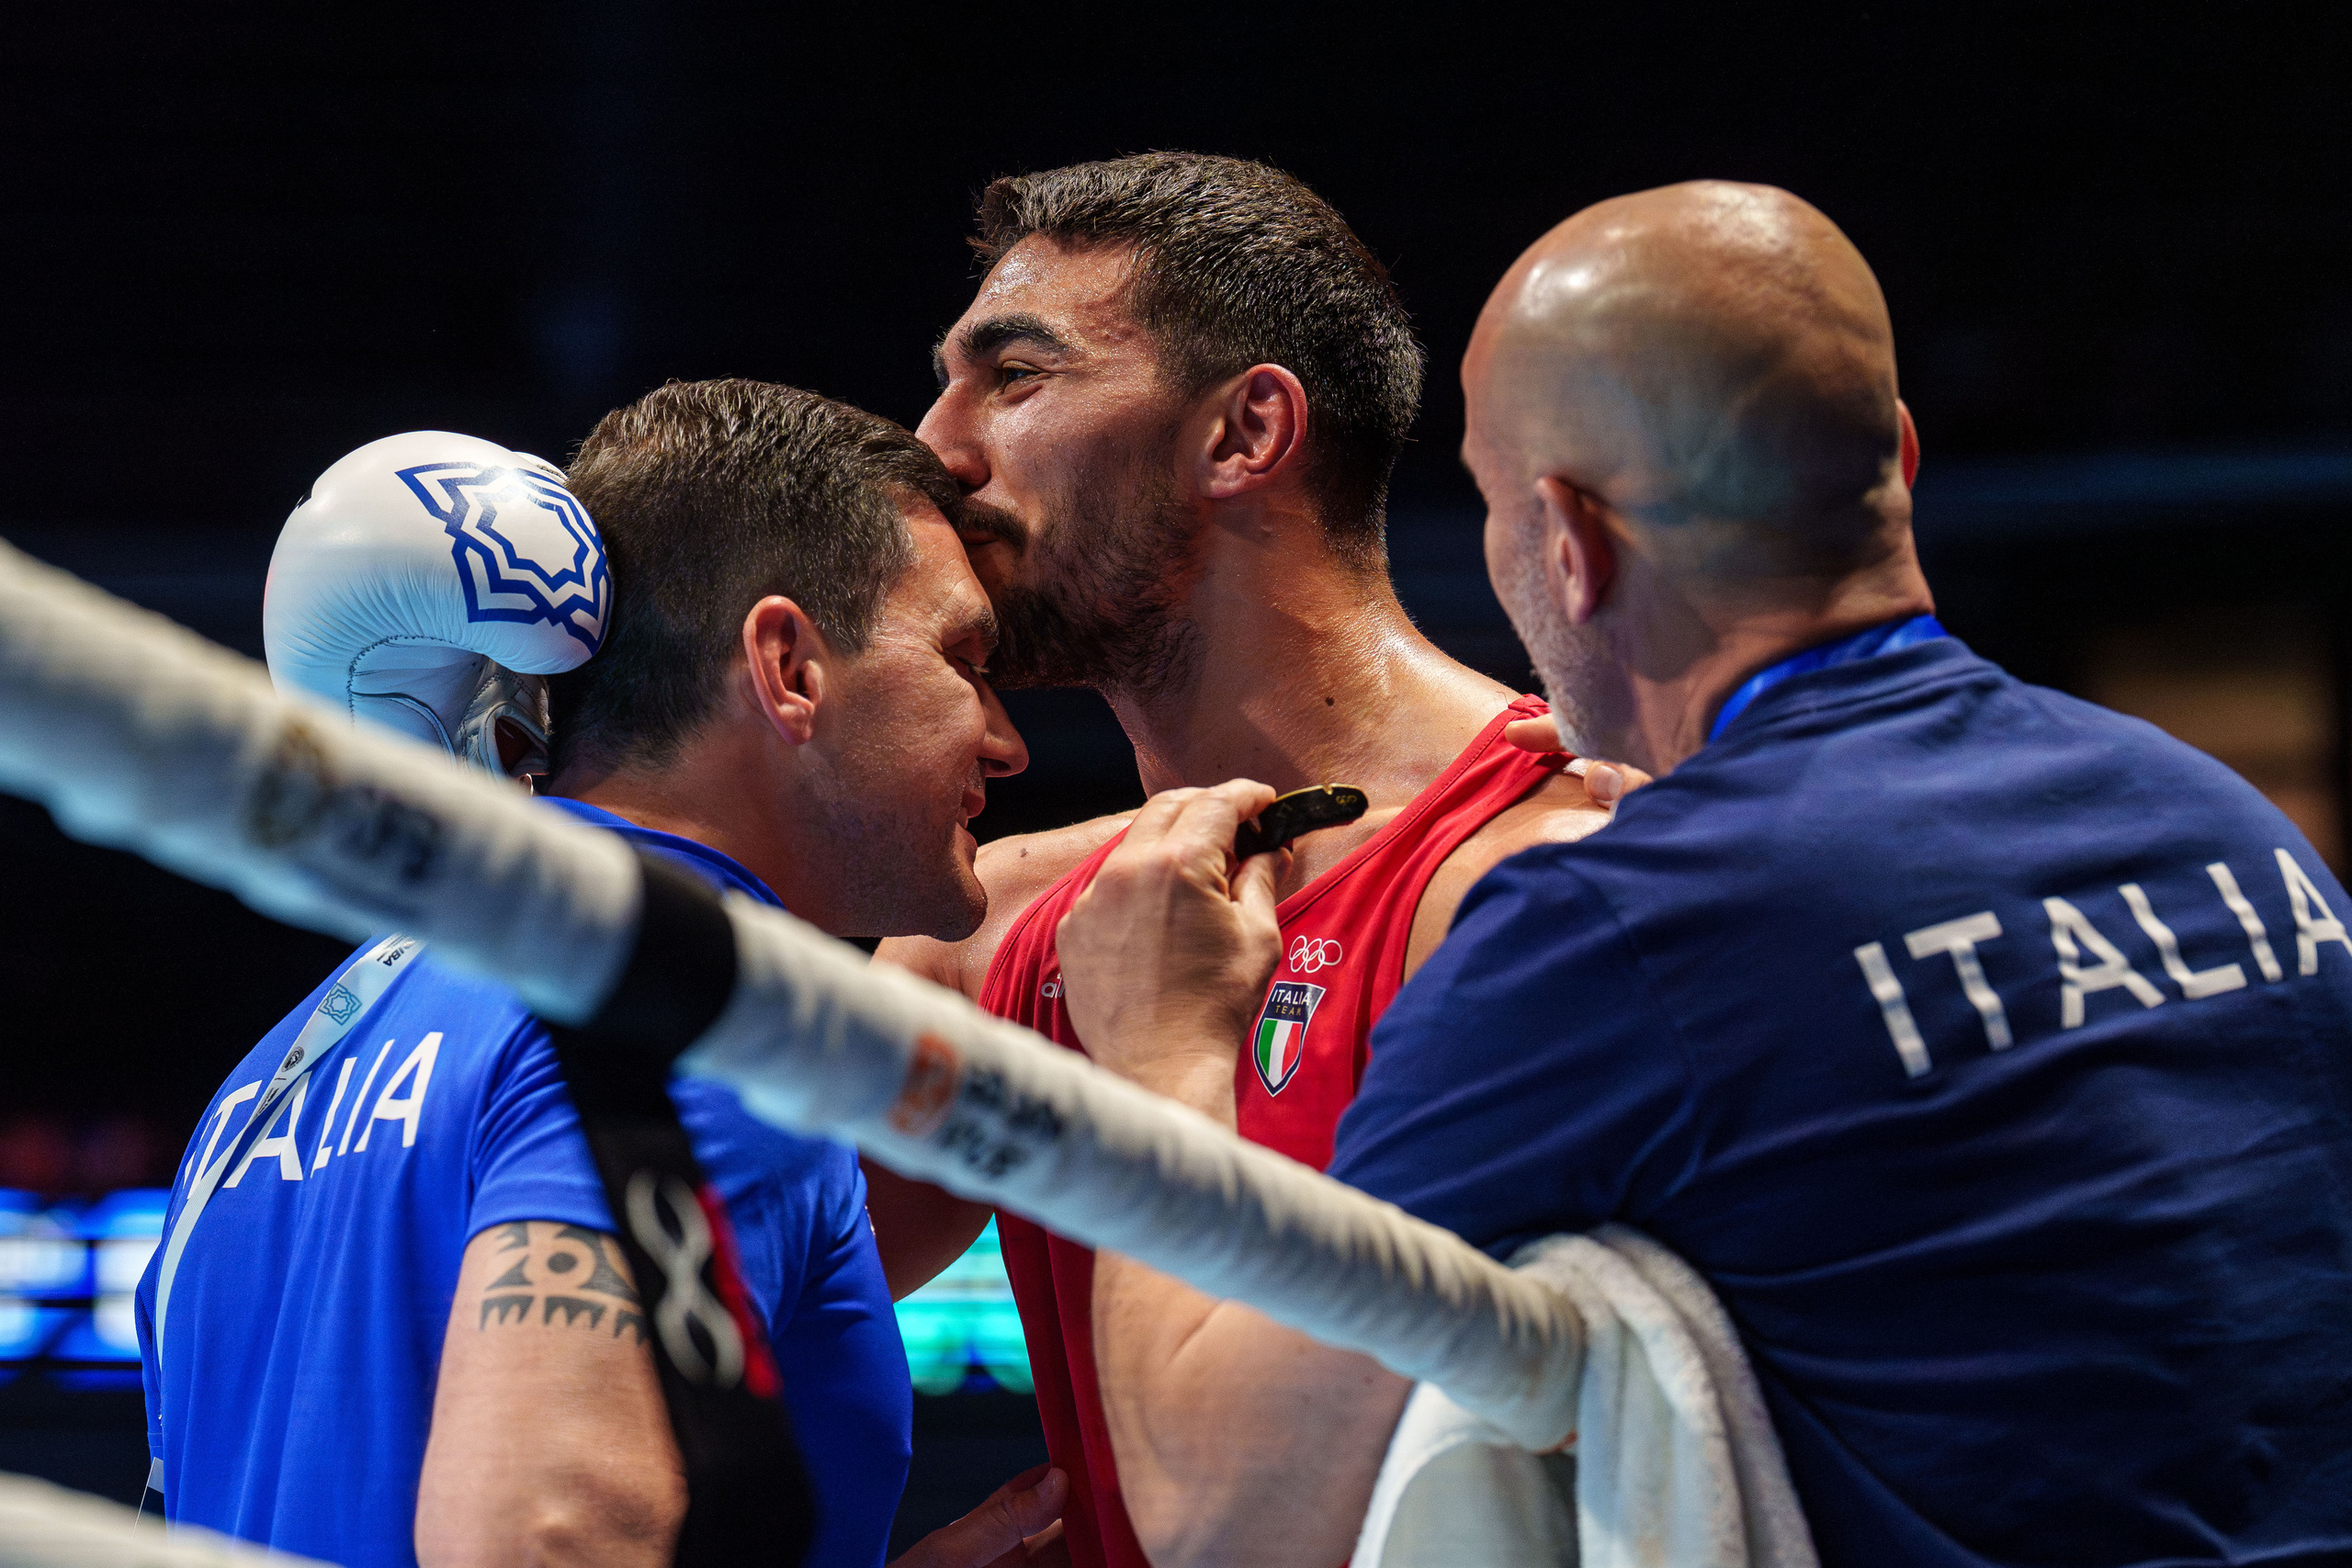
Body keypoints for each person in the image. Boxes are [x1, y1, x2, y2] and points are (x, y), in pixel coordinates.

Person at [1046, 181, 2352, 1567]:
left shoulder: (1619, 930)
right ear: (1897, 461)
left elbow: (1223, 1515)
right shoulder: (2224, 820)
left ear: (1569, 541)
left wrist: (1157, 1058)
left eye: (1492, 504)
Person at [138, 382, 1066, 1568]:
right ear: (788, 668)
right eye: (964, 659)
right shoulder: (708, 1006)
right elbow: (545, 1540)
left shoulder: (273, 1074)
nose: (1006, 737)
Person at [869, 152, 1618, 1568]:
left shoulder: (1543, 878)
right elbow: (690, 1333)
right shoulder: (987, 924)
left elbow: (1265, 1524)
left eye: (1013, 378)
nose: (938, 446)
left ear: (1244, 432)